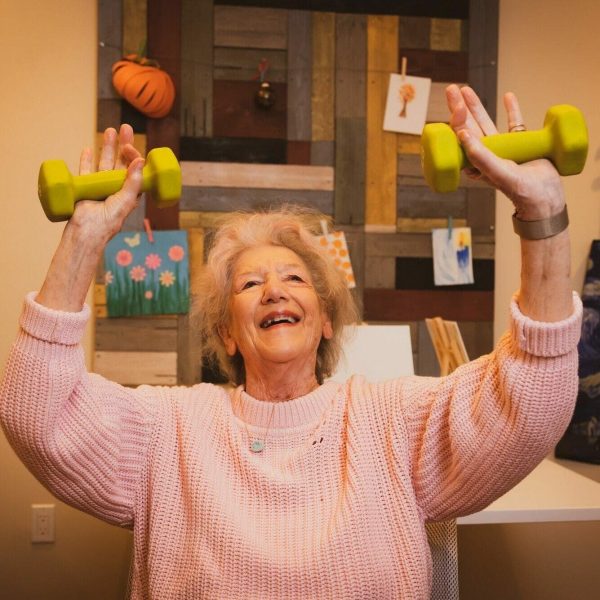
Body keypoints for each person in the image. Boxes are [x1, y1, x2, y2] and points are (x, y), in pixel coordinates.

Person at [0, 85, 582, 599]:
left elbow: (527, 404)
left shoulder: (391, 419)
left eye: (295, 278)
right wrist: (84, 238)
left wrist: (543, 211)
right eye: (250, 283)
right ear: (227, 332)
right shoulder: (169, 428)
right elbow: (36, 413)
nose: (275, 290)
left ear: (326, 320)